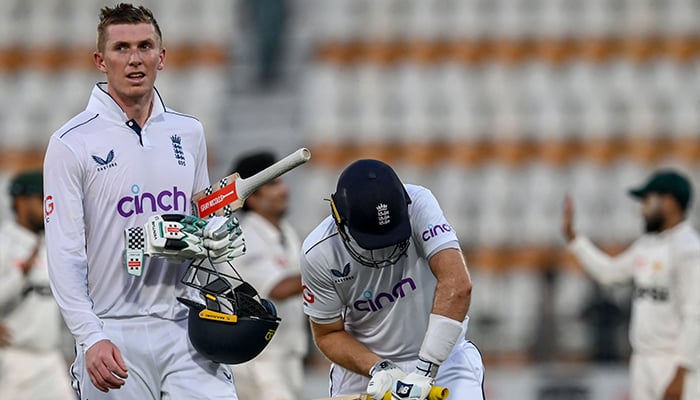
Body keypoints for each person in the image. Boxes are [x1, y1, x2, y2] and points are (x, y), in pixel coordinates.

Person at [43, 4, 244, 399]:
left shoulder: (189, 132)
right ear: (100, 60)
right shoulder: (71, 143)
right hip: (112, 331)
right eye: (121, 48)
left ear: (162, 57)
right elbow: (65, 254)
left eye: (145, 46)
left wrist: (217, 236)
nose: (135, 59)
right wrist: (89, 336)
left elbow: (199, 220)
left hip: (185, 327)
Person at [300, 159, 485, 399]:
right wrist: (380, 368)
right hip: (367, 373)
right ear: (339, 218)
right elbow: (327, 334)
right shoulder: (318, 253)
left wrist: (425, 370)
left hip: (444, 359)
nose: (384, 255)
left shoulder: (418, 203)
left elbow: (457, 285)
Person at [562, 169, 700, 400]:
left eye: (647, 200)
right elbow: (610, 273)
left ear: (669, 202)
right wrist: (575, 240)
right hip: (642, 360)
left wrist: (682, 371)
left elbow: (695, 314)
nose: (642, 209)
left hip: (675, 361)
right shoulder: (647, 245)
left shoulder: (689, 250)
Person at [227, 151, 308, 400]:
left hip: (290, 355)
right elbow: (278, 288)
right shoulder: (241, 236)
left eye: (282, 181)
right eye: (273, 184)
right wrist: (334, 271)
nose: (283, 190)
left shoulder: (286, 231)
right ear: (252, 197)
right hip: (259, 360)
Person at [0, 170, 75, 400]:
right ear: (21, 200)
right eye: (41, 198)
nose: (47, 205)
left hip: (50, 359)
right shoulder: (4, 242)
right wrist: (20, 273)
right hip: (13, 359)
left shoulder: (52, 244)